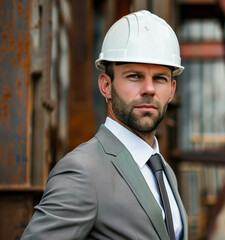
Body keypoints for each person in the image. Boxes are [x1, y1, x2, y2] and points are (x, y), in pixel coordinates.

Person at [21, 10, 188, 240]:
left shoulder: (163, 170)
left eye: (160, 78)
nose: (149, 88)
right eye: (134, 76)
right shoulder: (82, 171)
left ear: (172, 90)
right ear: (106, 86)